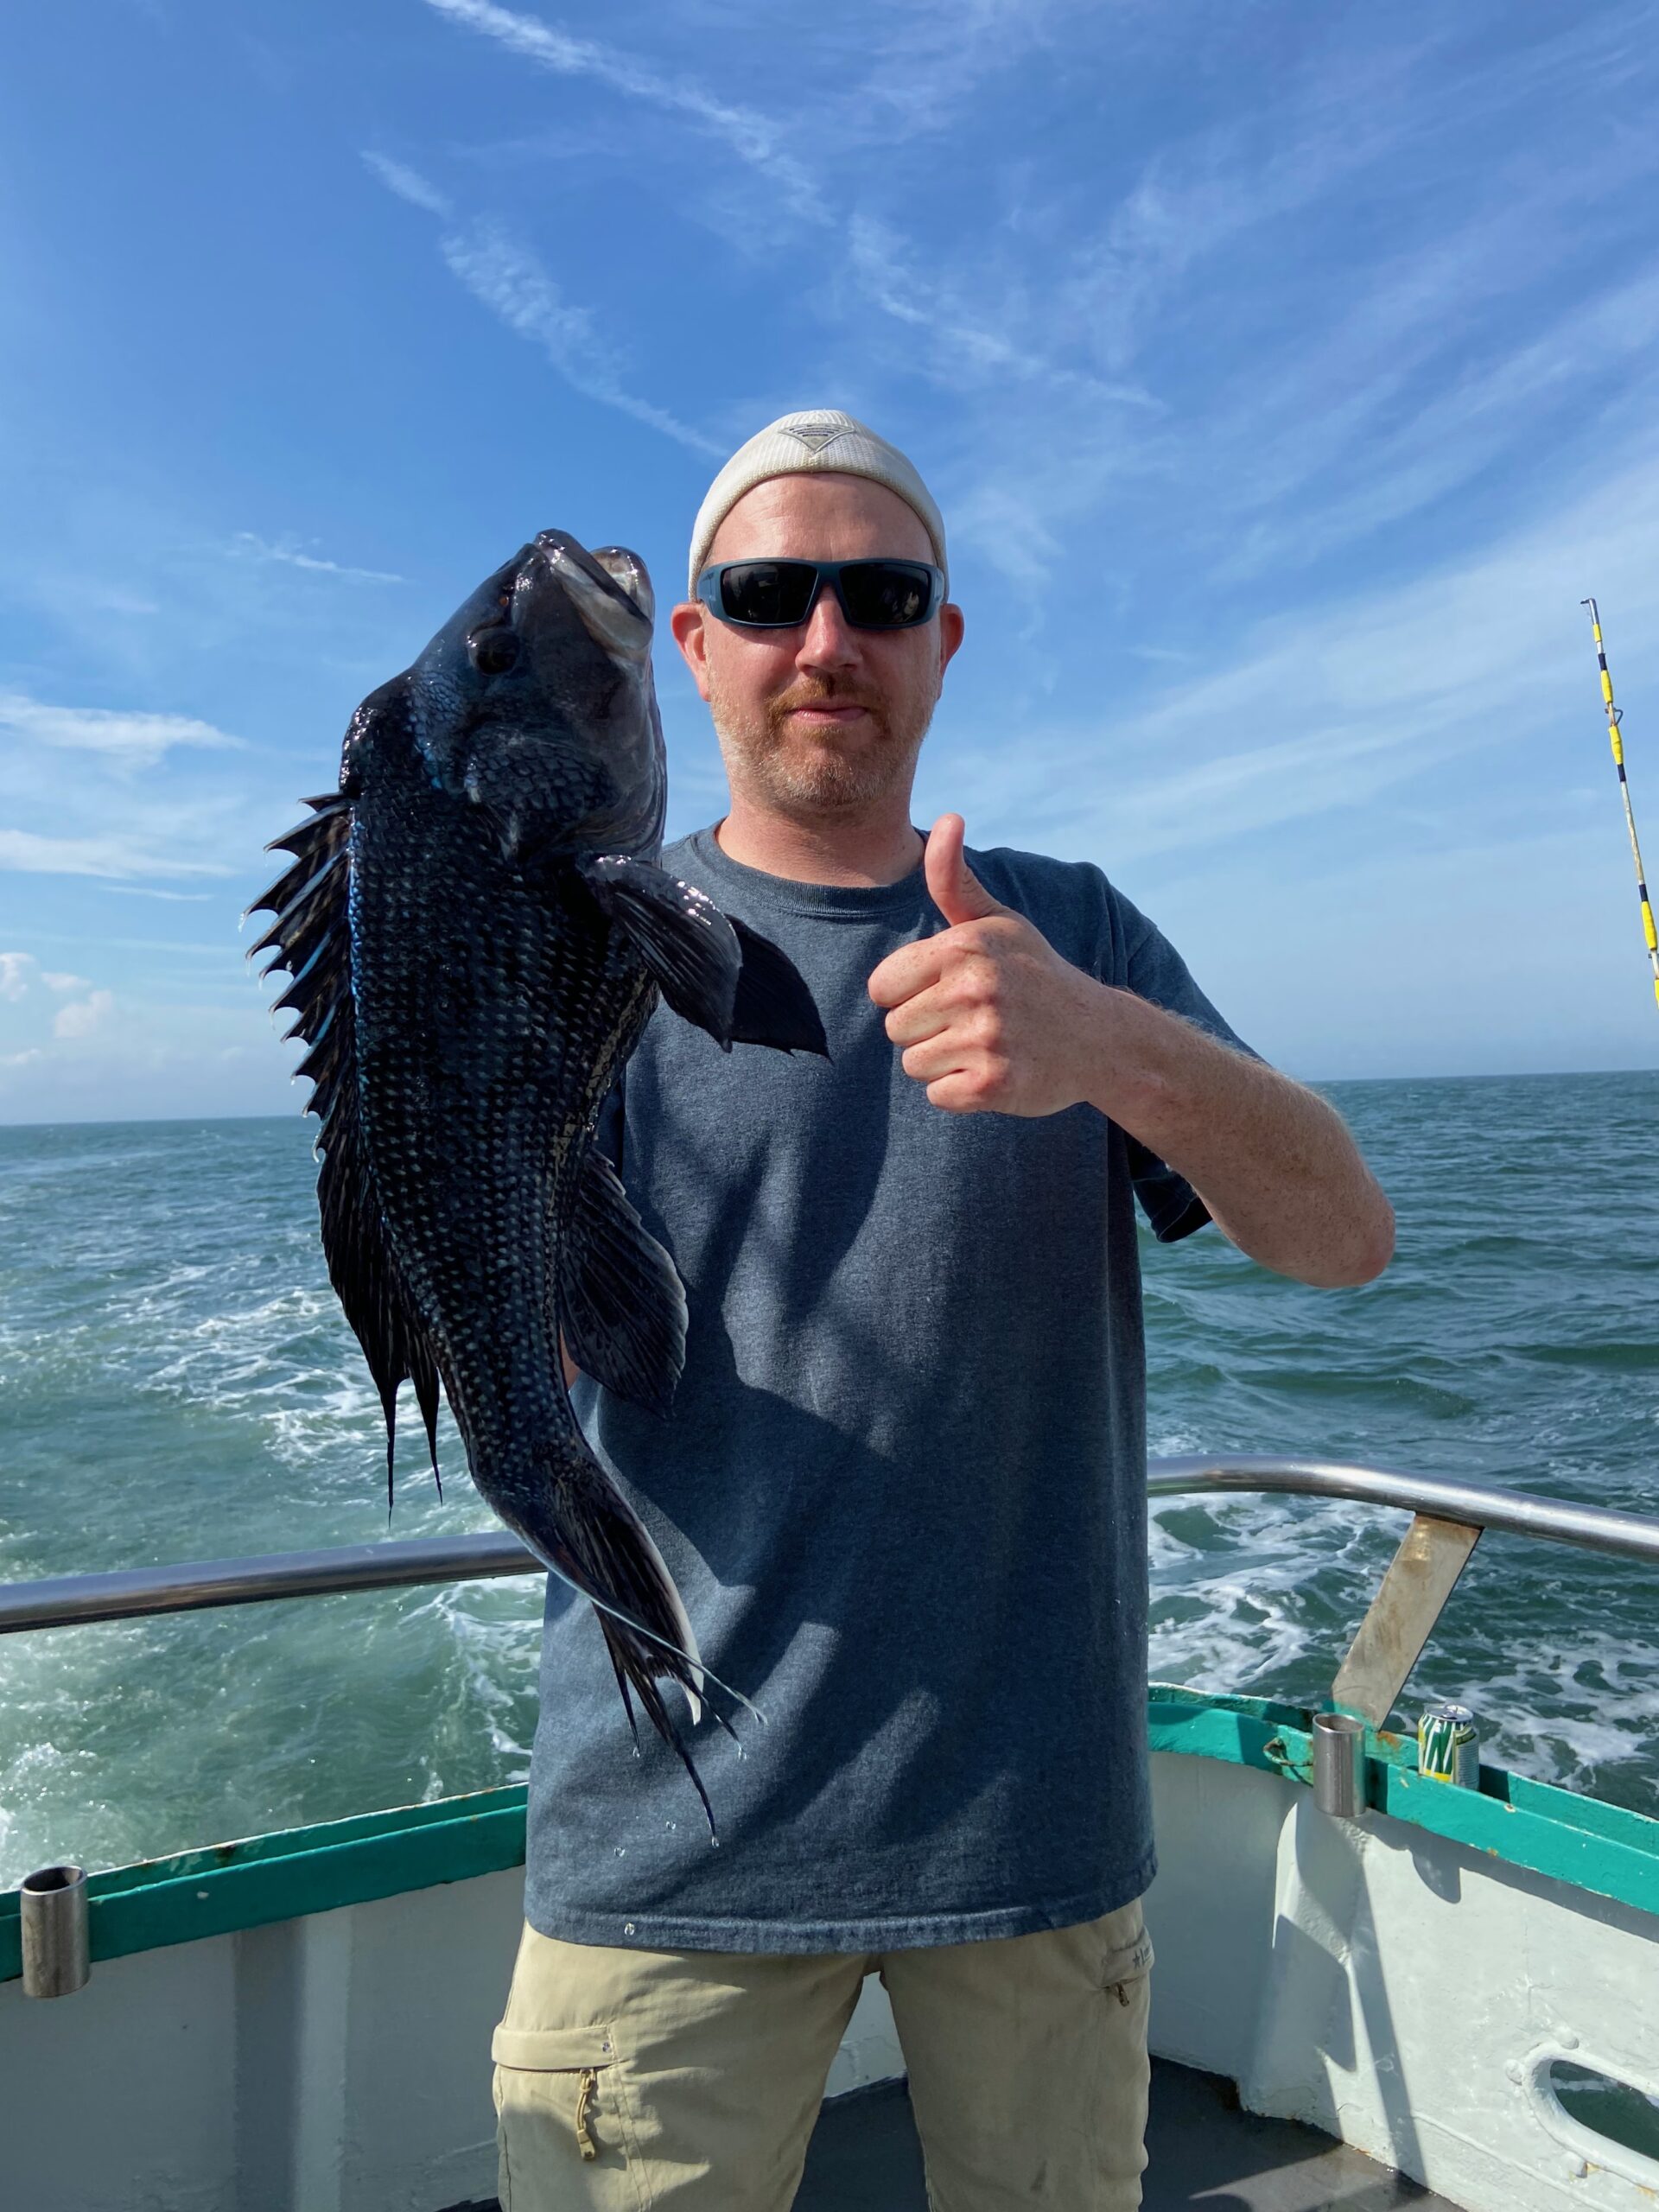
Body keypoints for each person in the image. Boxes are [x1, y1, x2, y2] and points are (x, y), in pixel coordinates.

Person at [490, 410, 1395, 2210]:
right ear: (692, 643)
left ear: (942, 638)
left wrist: (1109, 1046)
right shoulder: (569, 942)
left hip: (1035, 1840)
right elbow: (491, 1292)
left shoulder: (1070, 930)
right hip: (663, 1845)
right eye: (768, 593)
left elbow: (1342, 1235)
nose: (825, 637)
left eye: (879, 592)